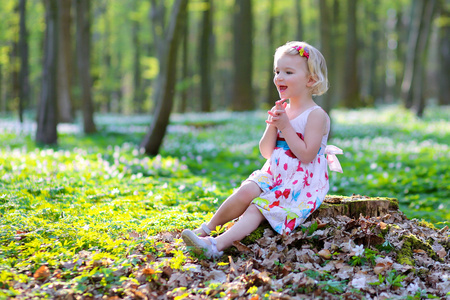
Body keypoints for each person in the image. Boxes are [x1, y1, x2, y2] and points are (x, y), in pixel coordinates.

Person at [182, 41, 343, 259]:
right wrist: (273, 125)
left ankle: (214, 246)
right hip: (274, 173)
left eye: (288, 72)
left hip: (301, 181)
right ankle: (207, 228)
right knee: (247, 190)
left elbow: (307, 155)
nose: (279, 77)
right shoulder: (282, 109)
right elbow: (267, 152)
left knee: (258, 207)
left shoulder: (316, 115)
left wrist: (285, 127)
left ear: (311, 79)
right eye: (277, 71)